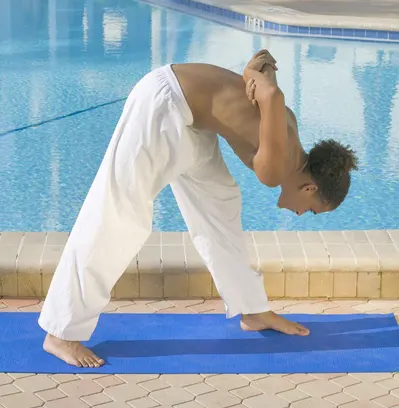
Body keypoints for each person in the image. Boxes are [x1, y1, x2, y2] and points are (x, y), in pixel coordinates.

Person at [38, 50, 358, 368]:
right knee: (120, 214)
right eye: (313, 210)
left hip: (193, 122)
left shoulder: (288, 127)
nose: (303, 215)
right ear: (310, 187)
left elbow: (262, 72)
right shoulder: (276, 167)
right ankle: (60, 331)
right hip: (164, 103)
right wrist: (266, 85)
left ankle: (252, 309)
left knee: (221, 204)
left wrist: (260, 73)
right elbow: (272, 94)